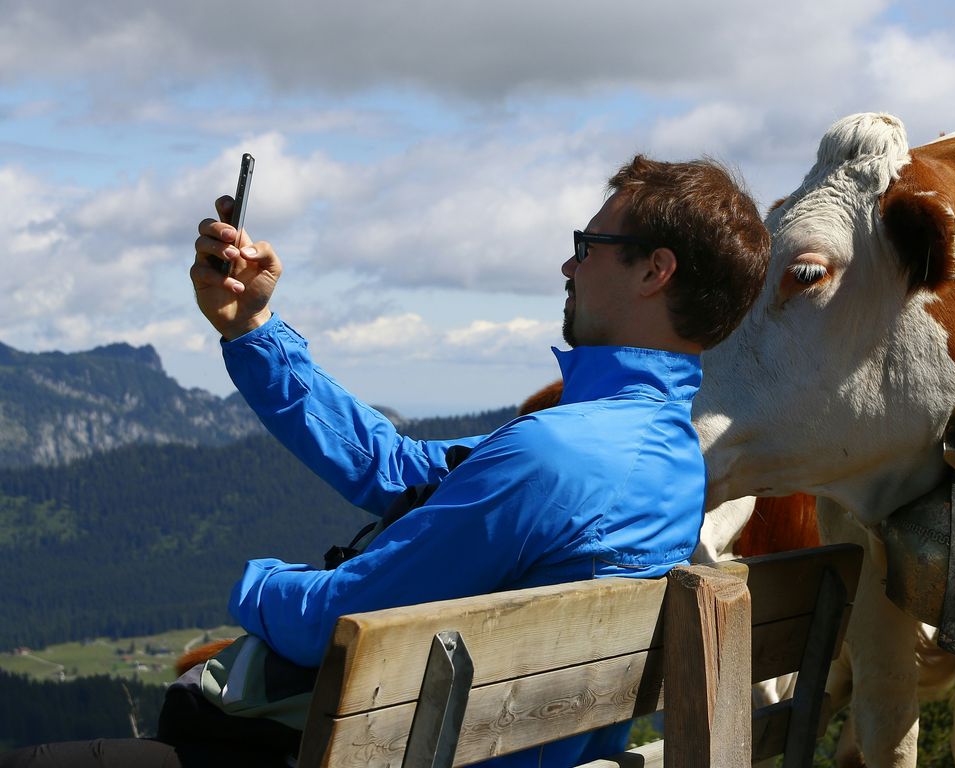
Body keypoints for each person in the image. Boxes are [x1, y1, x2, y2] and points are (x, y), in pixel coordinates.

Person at [0, 155, 769, 768]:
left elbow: (340, 620)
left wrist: (253, 584)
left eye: (586, 247)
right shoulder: (663, 457)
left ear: (653, 270)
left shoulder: (555, 453)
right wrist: (251, 328)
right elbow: (400, 468)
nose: (568, 269)